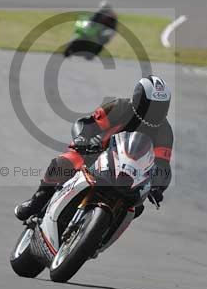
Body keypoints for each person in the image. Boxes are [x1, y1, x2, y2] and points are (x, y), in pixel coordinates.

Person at [14, 75, 173, 221]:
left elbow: (162, 164)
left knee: (137, 207)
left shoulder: (164, 131)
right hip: (95, 155)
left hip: (130, 174)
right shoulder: (120, 107)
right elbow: (86, 124)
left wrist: (157, 186)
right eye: (151, 105)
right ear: (139, 100)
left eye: (161, 106)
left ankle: (101, 236)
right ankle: (38, 199)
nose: (155, 111)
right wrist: (83, 138)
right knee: (63, 163)